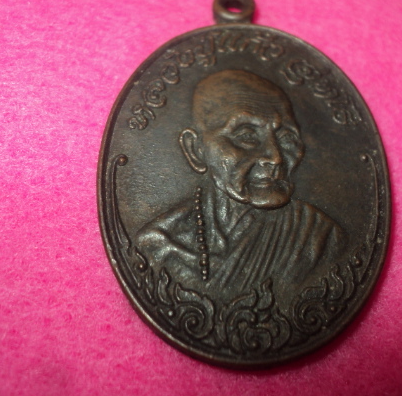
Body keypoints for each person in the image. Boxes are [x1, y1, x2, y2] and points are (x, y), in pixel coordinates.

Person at [136, 70, 345, 304]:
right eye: (246, 135)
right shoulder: (158, 245)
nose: (275, 157)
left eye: (286, 138)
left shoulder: (319, 238)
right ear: (196, 149)